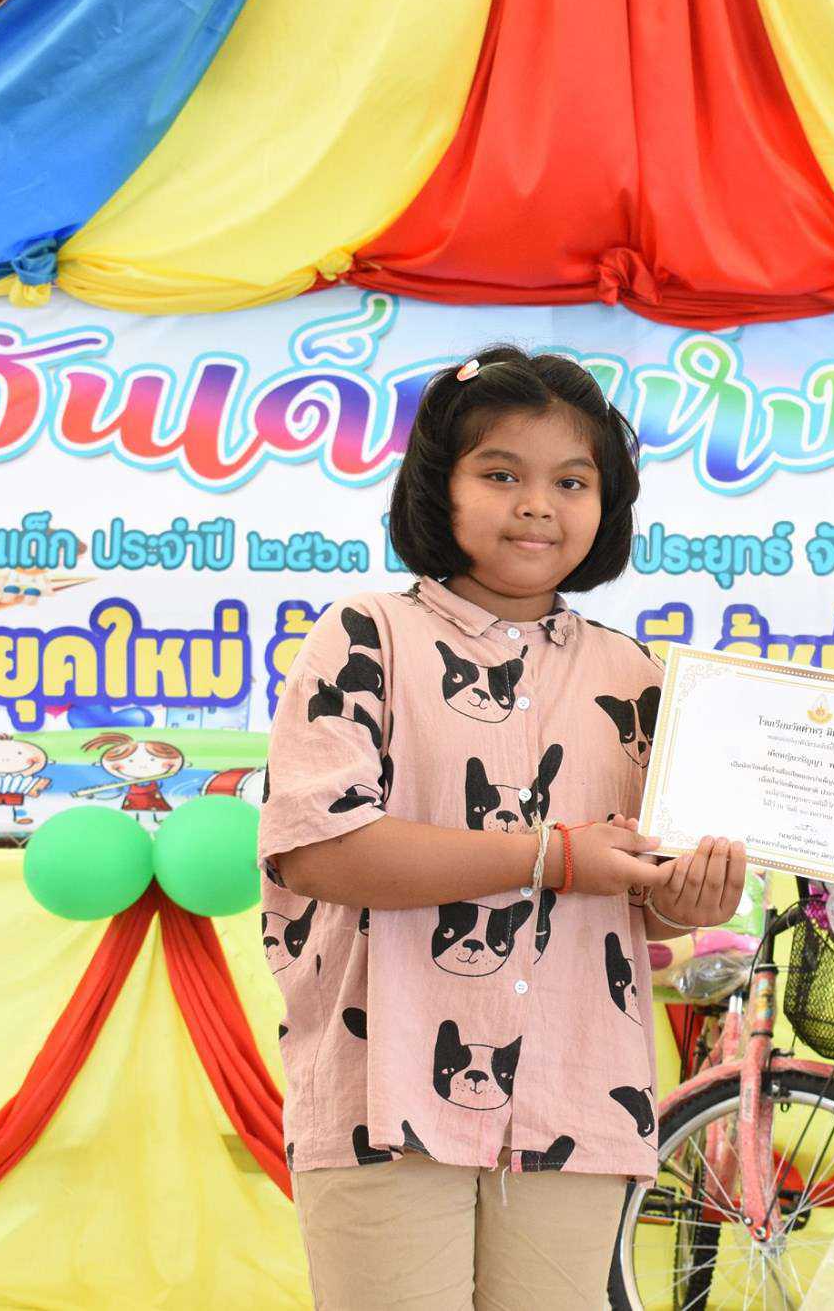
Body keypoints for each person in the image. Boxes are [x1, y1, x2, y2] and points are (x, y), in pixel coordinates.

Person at [257, 345, 749, 1310]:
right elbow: (319, 849)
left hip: (580, 1096)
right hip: (382, 1092)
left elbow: (642, 903)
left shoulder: (639, 675)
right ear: (436, 486)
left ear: (606, 505)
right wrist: (553, 856)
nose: (537, 505)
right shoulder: (365, 635)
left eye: (572, 481)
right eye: (500, 474)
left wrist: (690, 897)